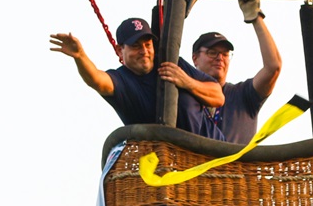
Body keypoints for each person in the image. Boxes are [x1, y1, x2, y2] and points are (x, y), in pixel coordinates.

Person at [50, 17, 226, 138]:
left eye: (148, 44)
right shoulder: (121, 80)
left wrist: (186, 82)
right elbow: (96, 79)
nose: (144, 51)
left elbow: (218, 97)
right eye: (136, 46)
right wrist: (80, 56)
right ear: (120, 50)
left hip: (214, 155)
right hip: (171, 165)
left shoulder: (172, 62)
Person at [191, 0, 282, 144]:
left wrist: (255, 16)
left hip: (235, 161)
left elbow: (273, 67)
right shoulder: (184, 95)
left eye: (225, 54)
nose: (220, 58)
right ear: (195, 58)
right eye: (212, 52)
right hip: (192, 160)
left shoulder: (243, 95)